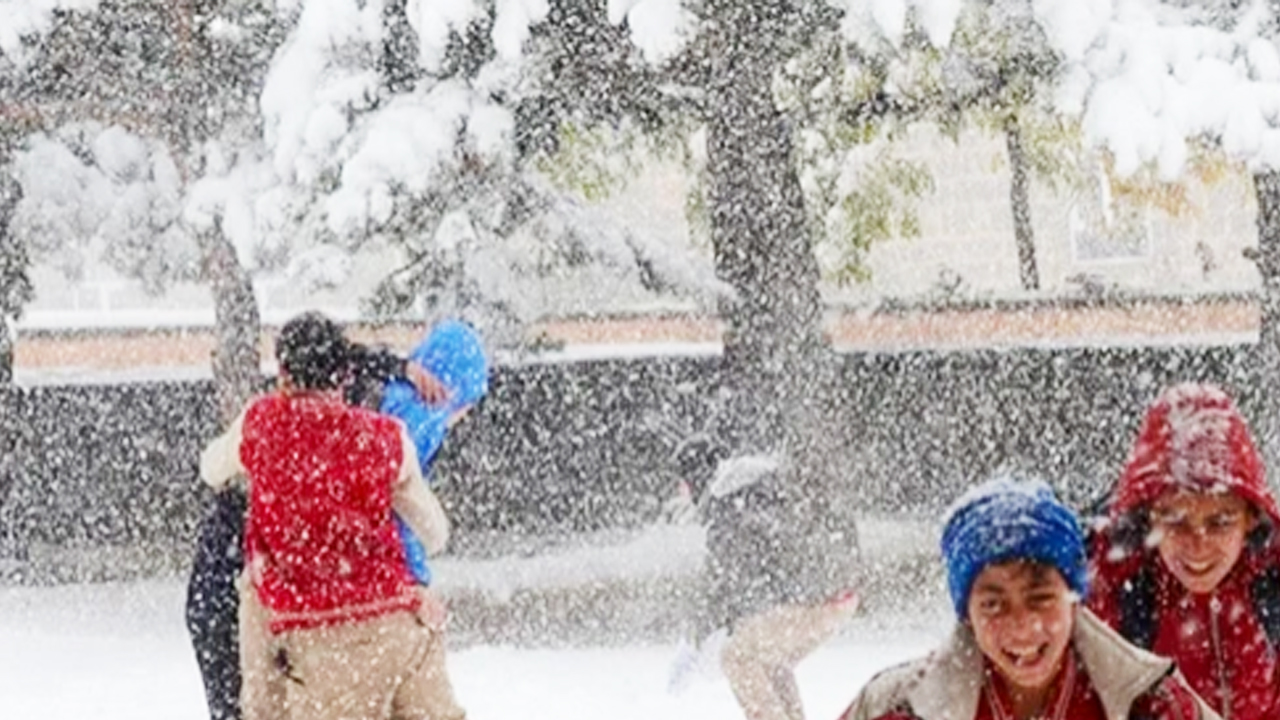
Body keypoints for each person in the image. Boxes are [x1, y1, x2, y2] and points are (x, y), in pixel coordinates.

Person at [197, 312, 468, 720]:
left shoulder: (260, 423)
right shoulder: (387, 437)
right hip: (389, 626)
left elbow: (210, 469)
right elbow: (435, 534)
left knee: (253, 596)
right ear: (344, 376)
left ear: (283, 373)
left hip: (301, 633)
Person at [841, 475, 1218, 720]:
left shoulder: (1152, 704)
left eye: (1040, 598)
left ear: (1074, 597)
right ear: (967, 612)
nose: (1022, 626)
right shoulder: (896, 709)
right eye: (993, 604)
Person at [1087, 382, 1280, 720]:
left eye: (1220, 522)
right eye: (1176, 522)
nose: (1198, 544)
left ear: (1251, 517)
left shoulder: (1272, 581)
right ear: (1149, 516)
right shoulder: (1109, 588)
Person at [671, 439, 860, 720]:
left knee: (737, 658)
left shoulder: (730, 499)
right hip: (838, 590)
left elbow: (725, 579)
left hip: (812, 594)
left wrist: (697, 639)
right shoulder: (757, 484)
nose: (682, 492)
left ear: (696, 476)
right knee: (768, 658)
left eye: (683, 483)